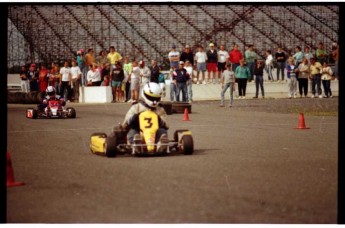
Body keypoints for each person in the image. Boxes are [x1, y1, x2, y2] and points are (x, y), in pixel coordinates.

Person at [120, 82, 169, 153]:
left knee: (162, 131)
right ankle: (136, 145)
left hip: (154, 134)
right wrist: (133, 118)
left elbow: (167, 125)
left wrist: (160, 120)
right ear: (145, 95)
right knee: (132, 132)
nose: (154, 101)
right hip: (139, 133)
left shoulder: (159, 109)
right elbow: (124, 125)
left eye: (156, 98)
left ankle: (160, 145)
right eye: (151, 98)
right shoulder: (136, 107)